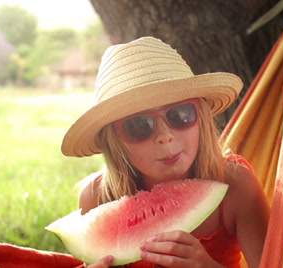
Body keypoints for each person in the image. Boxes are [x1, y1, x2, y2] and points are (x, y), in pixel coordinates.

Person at [61, 37, 270, 268]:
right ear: (116, 141)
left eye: (180, 114)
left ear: (201, 118)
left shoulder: (236, 185)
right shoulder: (97, 197)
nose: (165, 135)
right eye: (139, 125)